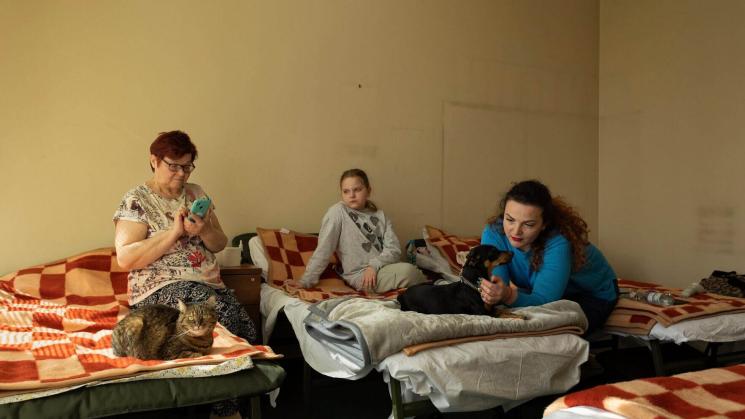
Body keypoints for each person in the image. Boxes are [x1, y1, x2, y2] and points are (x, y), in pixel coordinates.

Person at [113, 130, 256, 419]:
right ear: (154, 161)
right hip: (163, 287)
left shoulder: (197, 193)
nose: (181, 173)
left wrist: (204, 229)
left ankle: (222, 404)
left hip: (208, 284)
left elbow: (217, 244)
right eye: (174, 165)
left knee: (249, 331)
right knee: (222, 325)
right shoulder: (136, 200)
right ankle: (225, 410)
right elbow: (126, 258)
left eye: (187, 166)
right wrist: (174, 233)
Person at [479, 180, 617, 335]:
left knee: (554, 336)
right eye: (509, 219)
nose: (516, 231)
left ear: (544, 224)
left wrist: (508, 295)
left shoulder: (558, 242)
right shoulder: (494, 233)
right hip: (550, 292)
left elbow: (544, 302)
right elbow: (498, 285)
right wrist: (496, 292)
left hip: (592, 294)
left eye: (529, 224)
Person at [296, 168, 427, 293]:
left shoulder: (380, 216)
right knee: (409, 272)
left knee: (410, 271)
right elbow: (324, 249)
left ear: (368, 191)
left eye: (357, 189)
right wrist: (305, 281)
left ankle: (432, 287)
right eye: (346, 191)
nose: (351, 195)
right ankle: (431, 287)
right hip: (361, 275)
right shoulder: (338, 212)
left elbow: (394, 249)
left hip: (383, 267)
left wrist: (374, 266)